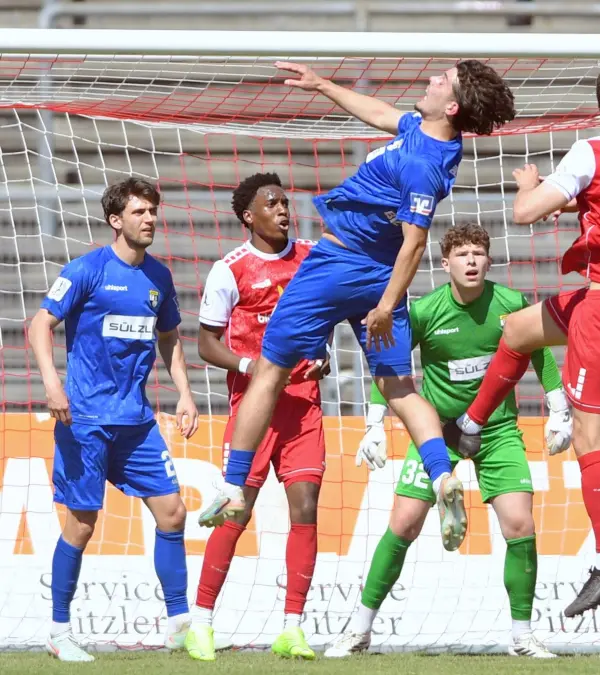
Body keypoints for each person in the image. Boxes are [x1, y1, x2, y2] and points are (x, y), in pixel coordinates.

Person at [196, 60, 517, 557]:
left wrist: (388, 305)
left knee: (270, 368)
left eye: (441, 79)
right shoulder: (424, 134)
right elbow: (382, 114)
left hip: (341, 265)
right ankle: (442, 475)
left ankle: (233, 484)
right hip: (373, 272)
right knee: (398, 387)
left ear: (451, 105)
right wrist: (323, 85)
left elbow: (415, 242)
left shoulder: (423, 166)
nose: (430, 79)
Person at [446, 63, 600, 617]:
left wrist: (532, 187)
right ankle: (472, 427)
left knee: (588, 434)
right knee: (519, 329)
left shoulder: (590, 152)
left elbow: (525, 212)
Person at [326, 223, 569, 658]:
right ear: (445, 264)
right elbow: (391, 361)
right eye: (462, 255)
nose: (471, 261)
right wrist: (374, 422)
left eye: (478, 253)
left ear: (489, 261)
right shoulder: (425, 312)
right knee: (403, 523)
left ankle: (522, 636)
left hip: (496, 429)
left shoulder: (511, 304)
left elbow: (541, 351)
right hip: (438, 432)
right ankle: (358, 629)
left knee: (520, 524)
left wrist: (559, 409)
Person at [29, 178, 198, 661]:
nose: (149, 219)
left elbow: (170, 337)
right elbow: (40, 323)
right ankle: (60, 631)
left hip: (136, 421)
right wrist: (52, 383)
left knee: (173, 512)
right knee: (81, 524)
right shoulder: (86, 270)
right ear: (116, 220)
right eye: (140, 211)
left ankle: (180, 624)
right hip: (85, 418)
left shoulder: (159, 277)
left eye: (153, 211)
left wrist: (185, 394)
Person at [186, 173, 330, 661]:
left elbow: (326, 314)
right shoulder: (230, 270)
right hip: (253, 409)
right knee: (236, 511)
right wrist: (252, 366)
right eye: (272, 203)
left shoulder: (312, 256)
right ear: (249, 215)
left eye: (286, 202)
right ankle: (201, 622)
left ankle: (292, 627)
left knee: (306, 508)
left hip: (304, 406)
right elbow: (206, 343)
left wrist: (323, 354)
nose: (284, 209)